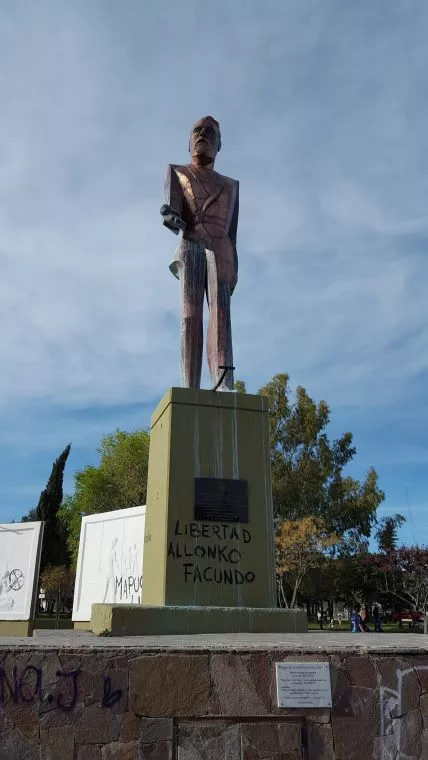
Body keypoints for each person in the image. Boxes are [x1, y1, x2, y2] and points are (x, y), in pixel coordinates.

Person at [161, 116, 239, 391]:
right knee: (190, 315)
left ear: (219, 145)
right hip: (191, 242)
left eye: (209, 132)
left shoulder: (230, 185)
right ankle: (190, 386)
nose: (202, 135)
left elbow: (232, 231)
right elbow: (172, 211)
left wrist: (234, 265)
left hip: (221, 247)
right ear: (188, 142)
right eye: (197, 131)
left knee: (221, 313)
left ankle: (224, 383)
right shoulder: (177, 172)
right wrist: (170, 217)